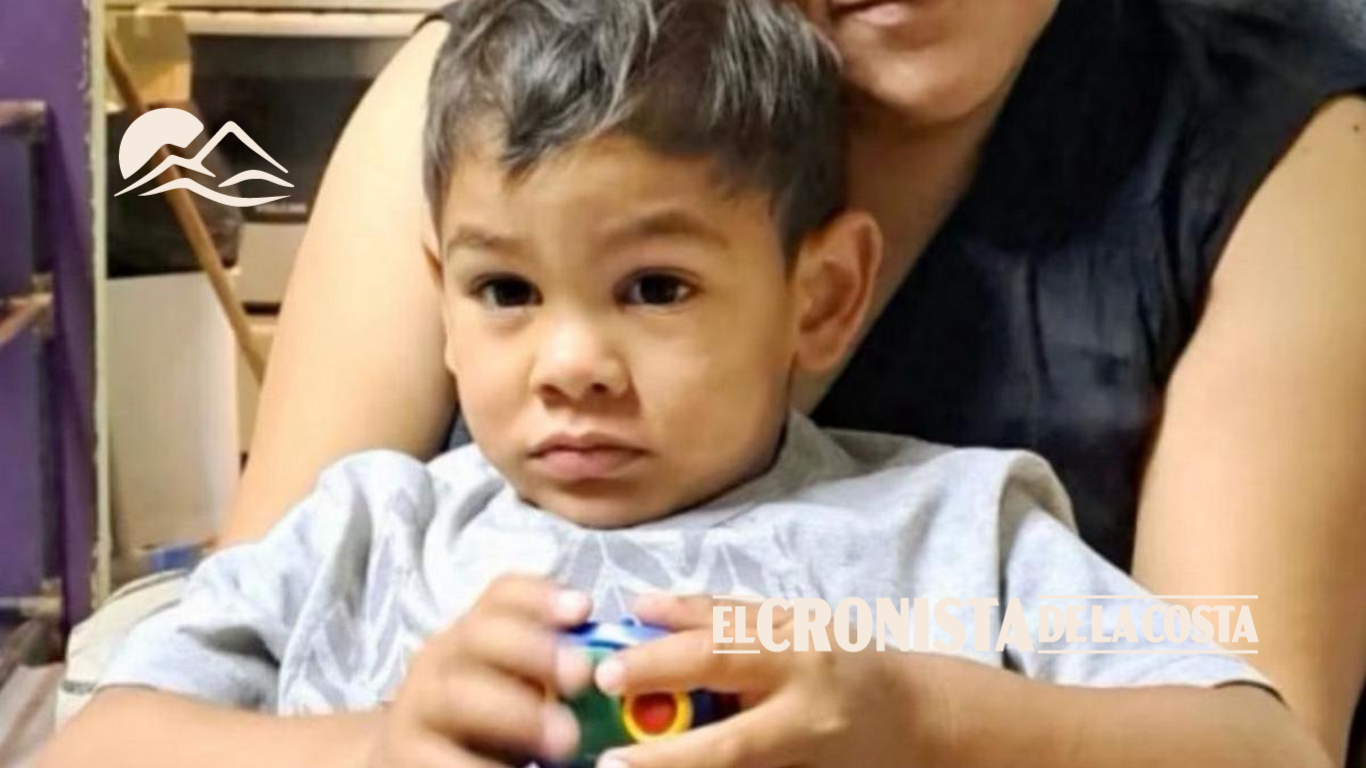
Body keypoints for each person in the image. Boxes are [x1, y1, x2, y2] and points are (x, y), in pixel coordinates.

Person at [56, 0, 1366, 763]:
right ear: (444, 284)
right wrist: (377, 744)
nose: (572, 364)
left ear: (822, 295)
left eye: (656, 288)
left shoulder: (961, 532)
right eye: (506, 291)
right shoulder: (372, 532)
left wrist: (919, 717)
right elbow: (115, 735)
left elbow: (1261, 740)